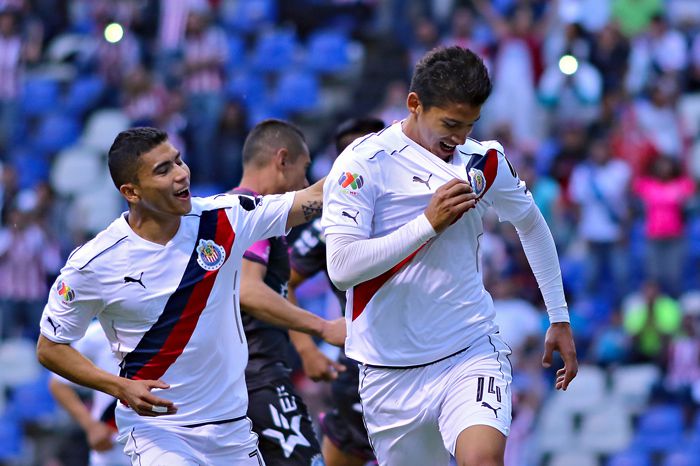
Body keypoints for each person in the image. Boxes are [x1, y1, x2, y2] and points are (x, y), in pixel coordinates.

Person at [322, 46, 578, 466]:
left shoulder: (482, 163)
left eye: (470, 124)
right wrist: (428, 223)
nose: (459, 137)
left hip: (468, 350)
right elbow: (342, 268)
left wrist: (559, 315)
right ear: (414, 105)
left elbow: (530, 223)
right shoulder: (363, 164)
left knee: (483, 461)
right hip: (388, 372)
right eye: (450, 123)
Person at [36, 127, 345, 466]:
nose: (181, 174)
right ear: (131, 192)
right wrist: (117, 386)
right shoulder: (94, 263)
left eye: (178, 160)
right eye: (163, 170)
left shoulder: (225, 218)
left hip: (232, 430)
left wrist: (379, 151)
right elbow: (51, 348)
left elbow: (309, 199)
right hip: (160, 432)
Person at [230, 119, 343, 465]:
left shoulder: (224, 213)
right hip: (257, 377)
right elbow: (248, 291)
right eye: (304, 169)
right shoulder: (253, 213)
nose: (305, 182)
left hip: (231, 381)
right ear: (282, 160)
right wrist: (322, 327)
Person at [288, 116, 385, 466]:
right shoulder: (329, 220)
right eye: (351, 153)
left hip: (425, 360)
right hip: (361, 367)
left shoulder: (424, 201)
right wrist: (306, 348)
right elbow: (282, 282)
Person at [49, 321, 130, 466]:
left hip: (166, 438)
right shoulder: (96, 334)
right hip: (110, 446)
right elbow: (58, 384)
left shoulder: (173, 326)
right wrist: (91, 426)